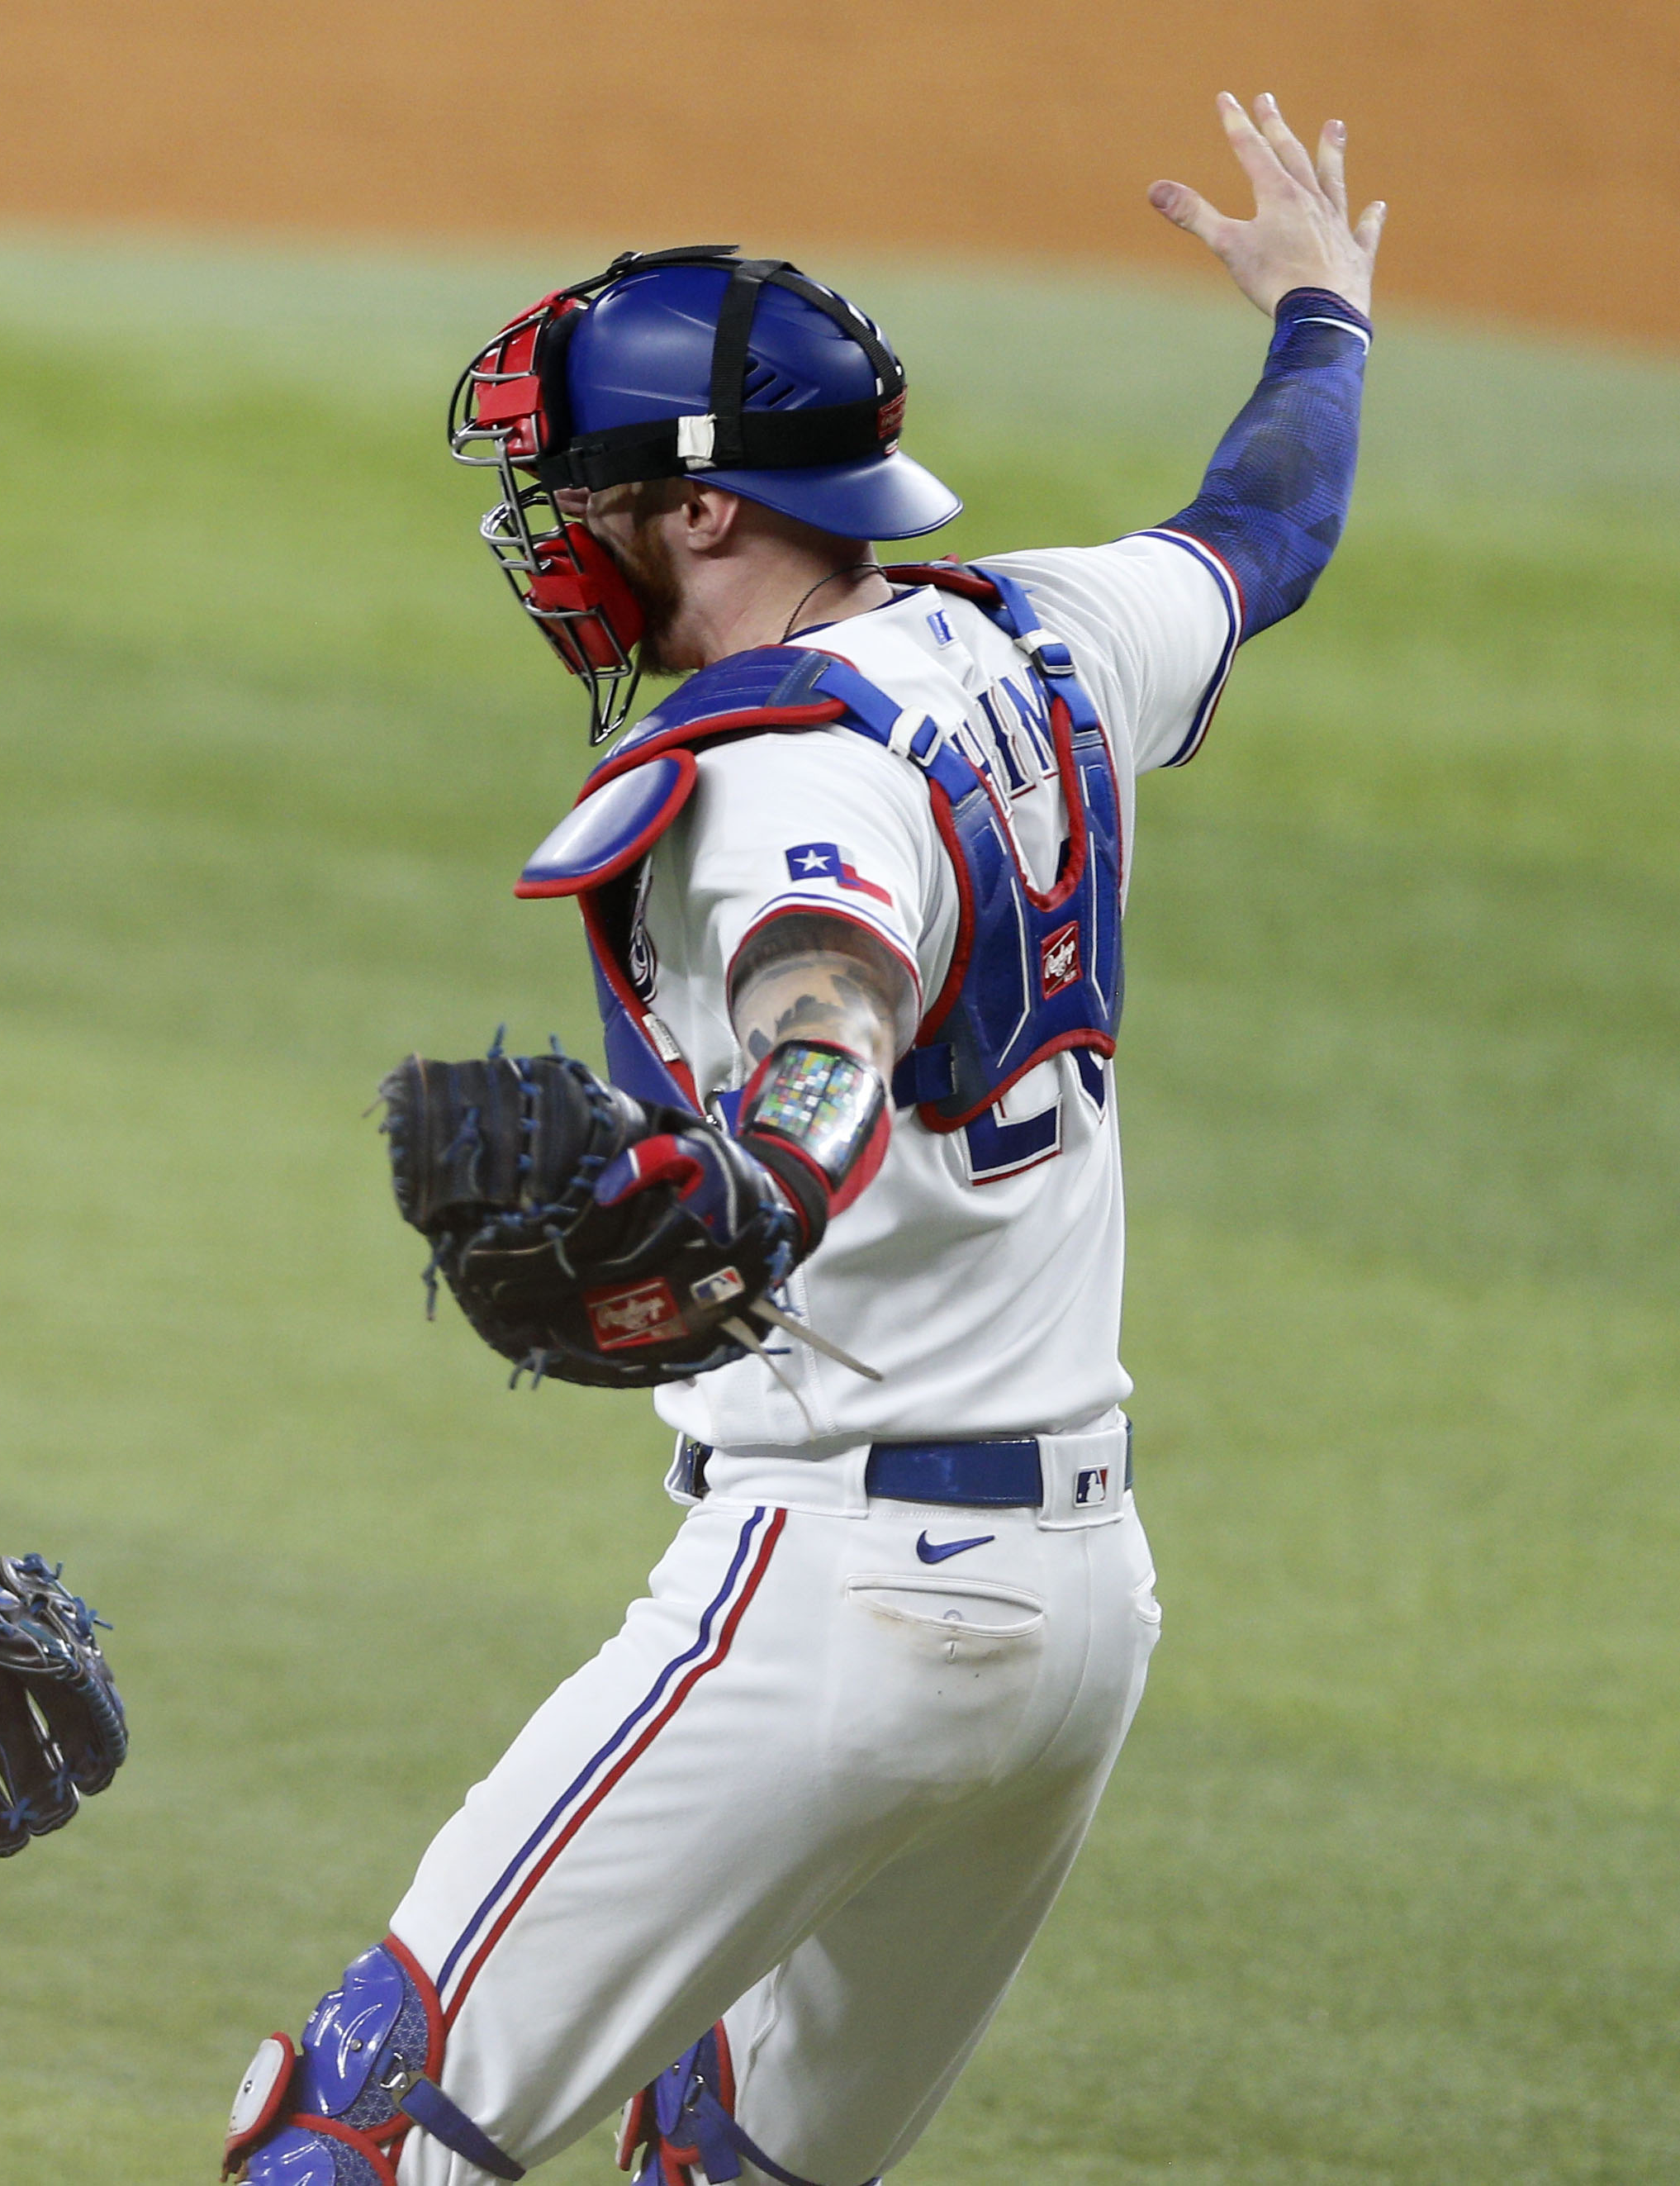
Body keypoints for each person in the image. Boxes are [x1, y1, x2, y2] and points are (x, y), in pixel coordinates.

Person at [223, 95, 1381, 2186]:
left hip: (831, 1595)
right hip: (1070, 1620)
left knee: (345, 2138)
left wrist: (769, 1165)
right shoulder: (1037, 635)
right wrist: (1320, 316)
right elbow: (1260, 533)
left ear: (696, 510)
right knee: (724, 2168)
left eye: (570, 485)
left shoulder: (779, 768)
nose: (542, 528)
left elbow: (824, 975)